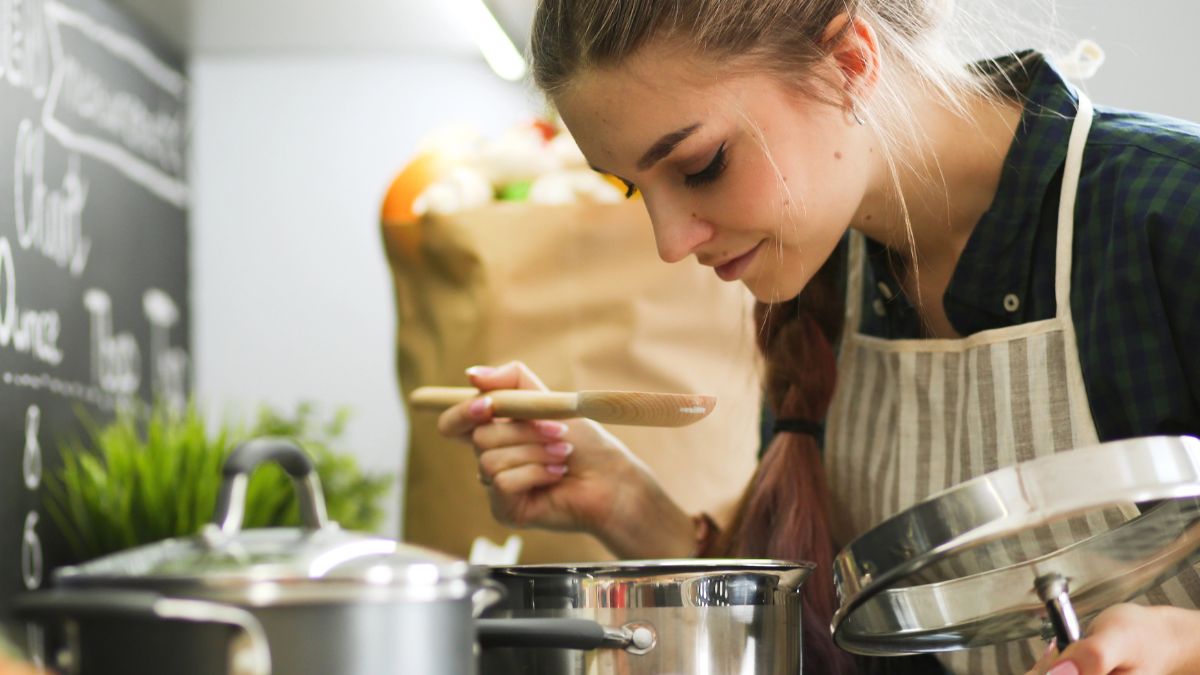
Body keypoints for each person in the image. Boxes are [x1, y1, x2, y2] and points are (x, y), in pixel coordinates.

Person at [436, 1, 1200, 673]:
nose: (671, 242)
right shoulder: (822, 284)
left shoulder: (1170, 214)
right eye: (635, 187)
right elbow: (829, 650)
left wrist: (1185, 643)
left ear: (849, 62)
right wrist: (630, 505)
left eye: (701, 165)